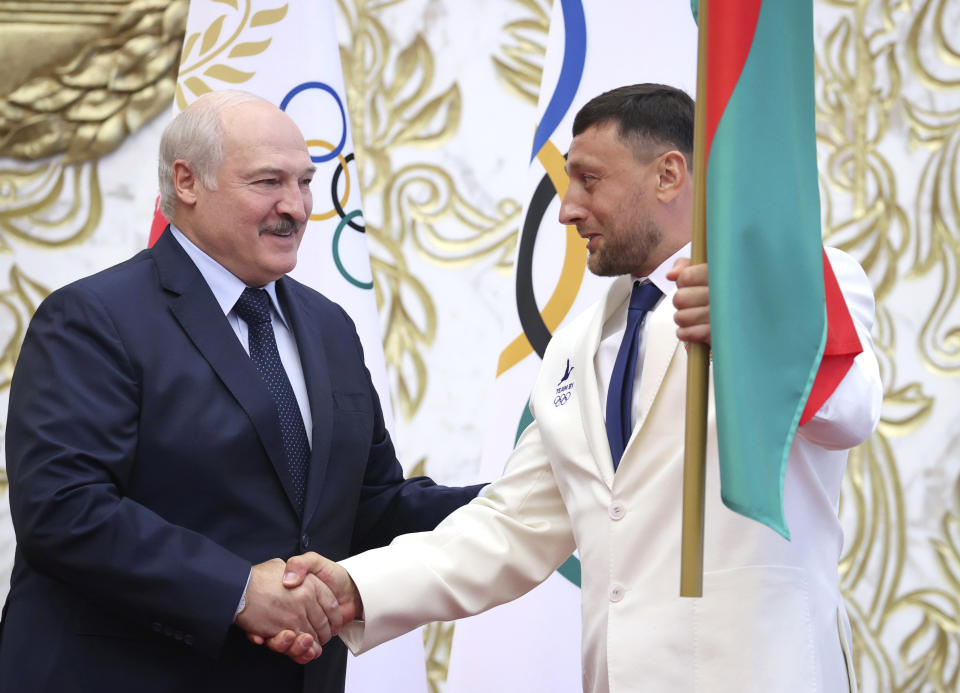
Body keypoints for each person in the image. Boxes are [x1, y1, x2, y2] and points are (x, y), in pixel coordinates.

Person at [277, 84, 883, 692]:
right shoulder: (578, 341)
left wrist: (749, 332)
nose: (567, 209)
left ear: (669, 175)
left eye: (589, 181)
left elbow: (851, 412)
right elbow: (511, 524)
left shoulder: (797, 279)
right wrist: (355, 588)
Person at [0, 90, 481, 693]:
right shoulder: (93, 318)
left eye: (305, 182)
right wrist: (236, 591)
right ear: (187, 181)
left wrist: (529, 496)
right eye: (268, 182)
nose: (297, 208)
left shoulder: (330, 326)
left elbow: (368, 506)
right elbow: (64, 511)